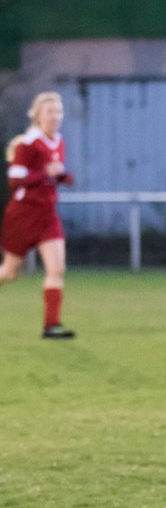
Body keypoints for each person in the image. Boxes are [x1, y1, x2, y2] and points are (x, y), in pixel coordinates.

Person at [2, 91, 76, 339]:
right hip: (23, 216)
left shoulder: (59, 141)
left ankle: (51, 326)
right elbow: (15, 181)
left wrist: (63, 177)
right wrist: (46, 174)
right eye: (50, 112)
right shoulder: (28, 144)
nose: (55, 117)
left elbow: (51, 175)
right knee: (9, 273)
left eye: (58, 111)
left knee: (57, 268)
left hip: (47, 215)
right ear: (38, 116)